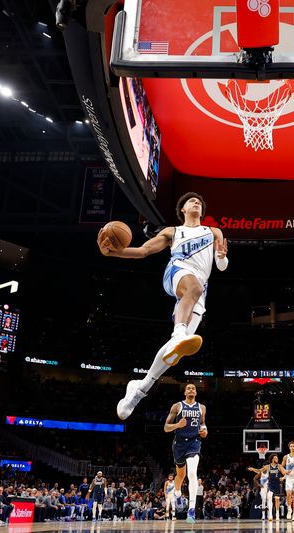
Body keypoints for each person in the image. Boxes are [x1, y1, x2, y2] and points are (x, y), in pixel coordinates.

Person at [99, 192, 229, 420]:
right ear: (183, 210)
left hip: (201, 286)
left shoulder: (213, 232)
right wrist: (113, 252)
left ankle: (139, 389)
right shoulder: (173, 231)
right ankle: (178, 332)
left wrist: (221, 256)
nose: (196, 202)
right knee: (191, 294)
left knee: (174, 351)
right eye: (191, 201)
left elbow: (221, 266)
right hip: (177, 272)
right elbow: (143, 251)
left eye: (199, 201)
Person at [164, 383, 208, 524]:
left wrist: (205, 431)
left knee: (192, 473)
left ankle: (191, 509)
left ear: (196, 392)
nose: (191, 389)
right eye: (188, 388)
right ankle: (177, 493)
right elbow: (166, 427)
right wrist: (177, 425)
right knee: (180, 475)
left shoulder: (202, 408)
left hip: (194, 443)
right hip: (179, 444)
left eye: (193, 388)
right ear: (184, 392)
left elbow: (203, 425)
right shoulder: (177, 406)